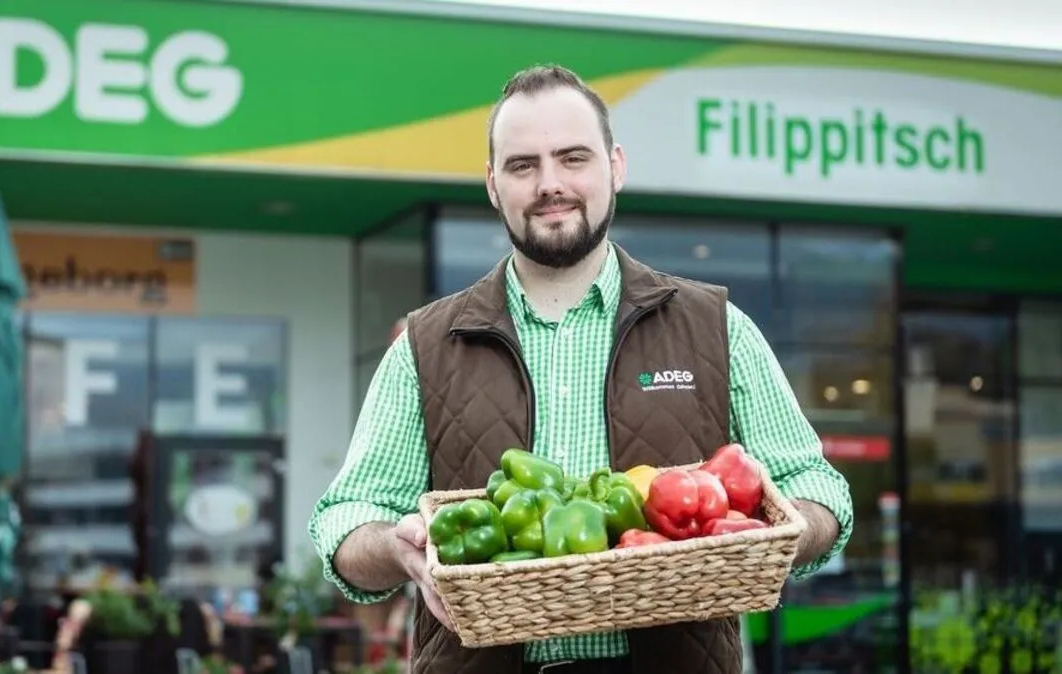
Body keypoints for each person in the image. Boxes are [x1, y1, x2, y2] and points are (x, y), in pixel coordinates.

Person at [308, 64, 854, 674]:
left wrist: (770, 539)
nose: (550, 184)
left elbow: (817, 486)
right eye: (523, 165)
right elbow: (345, 520)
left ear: (615, 167)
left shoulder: (717, 328)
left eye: (573, 158)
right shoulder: (424, 346)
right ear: (492, 184)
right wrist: (398, 547)